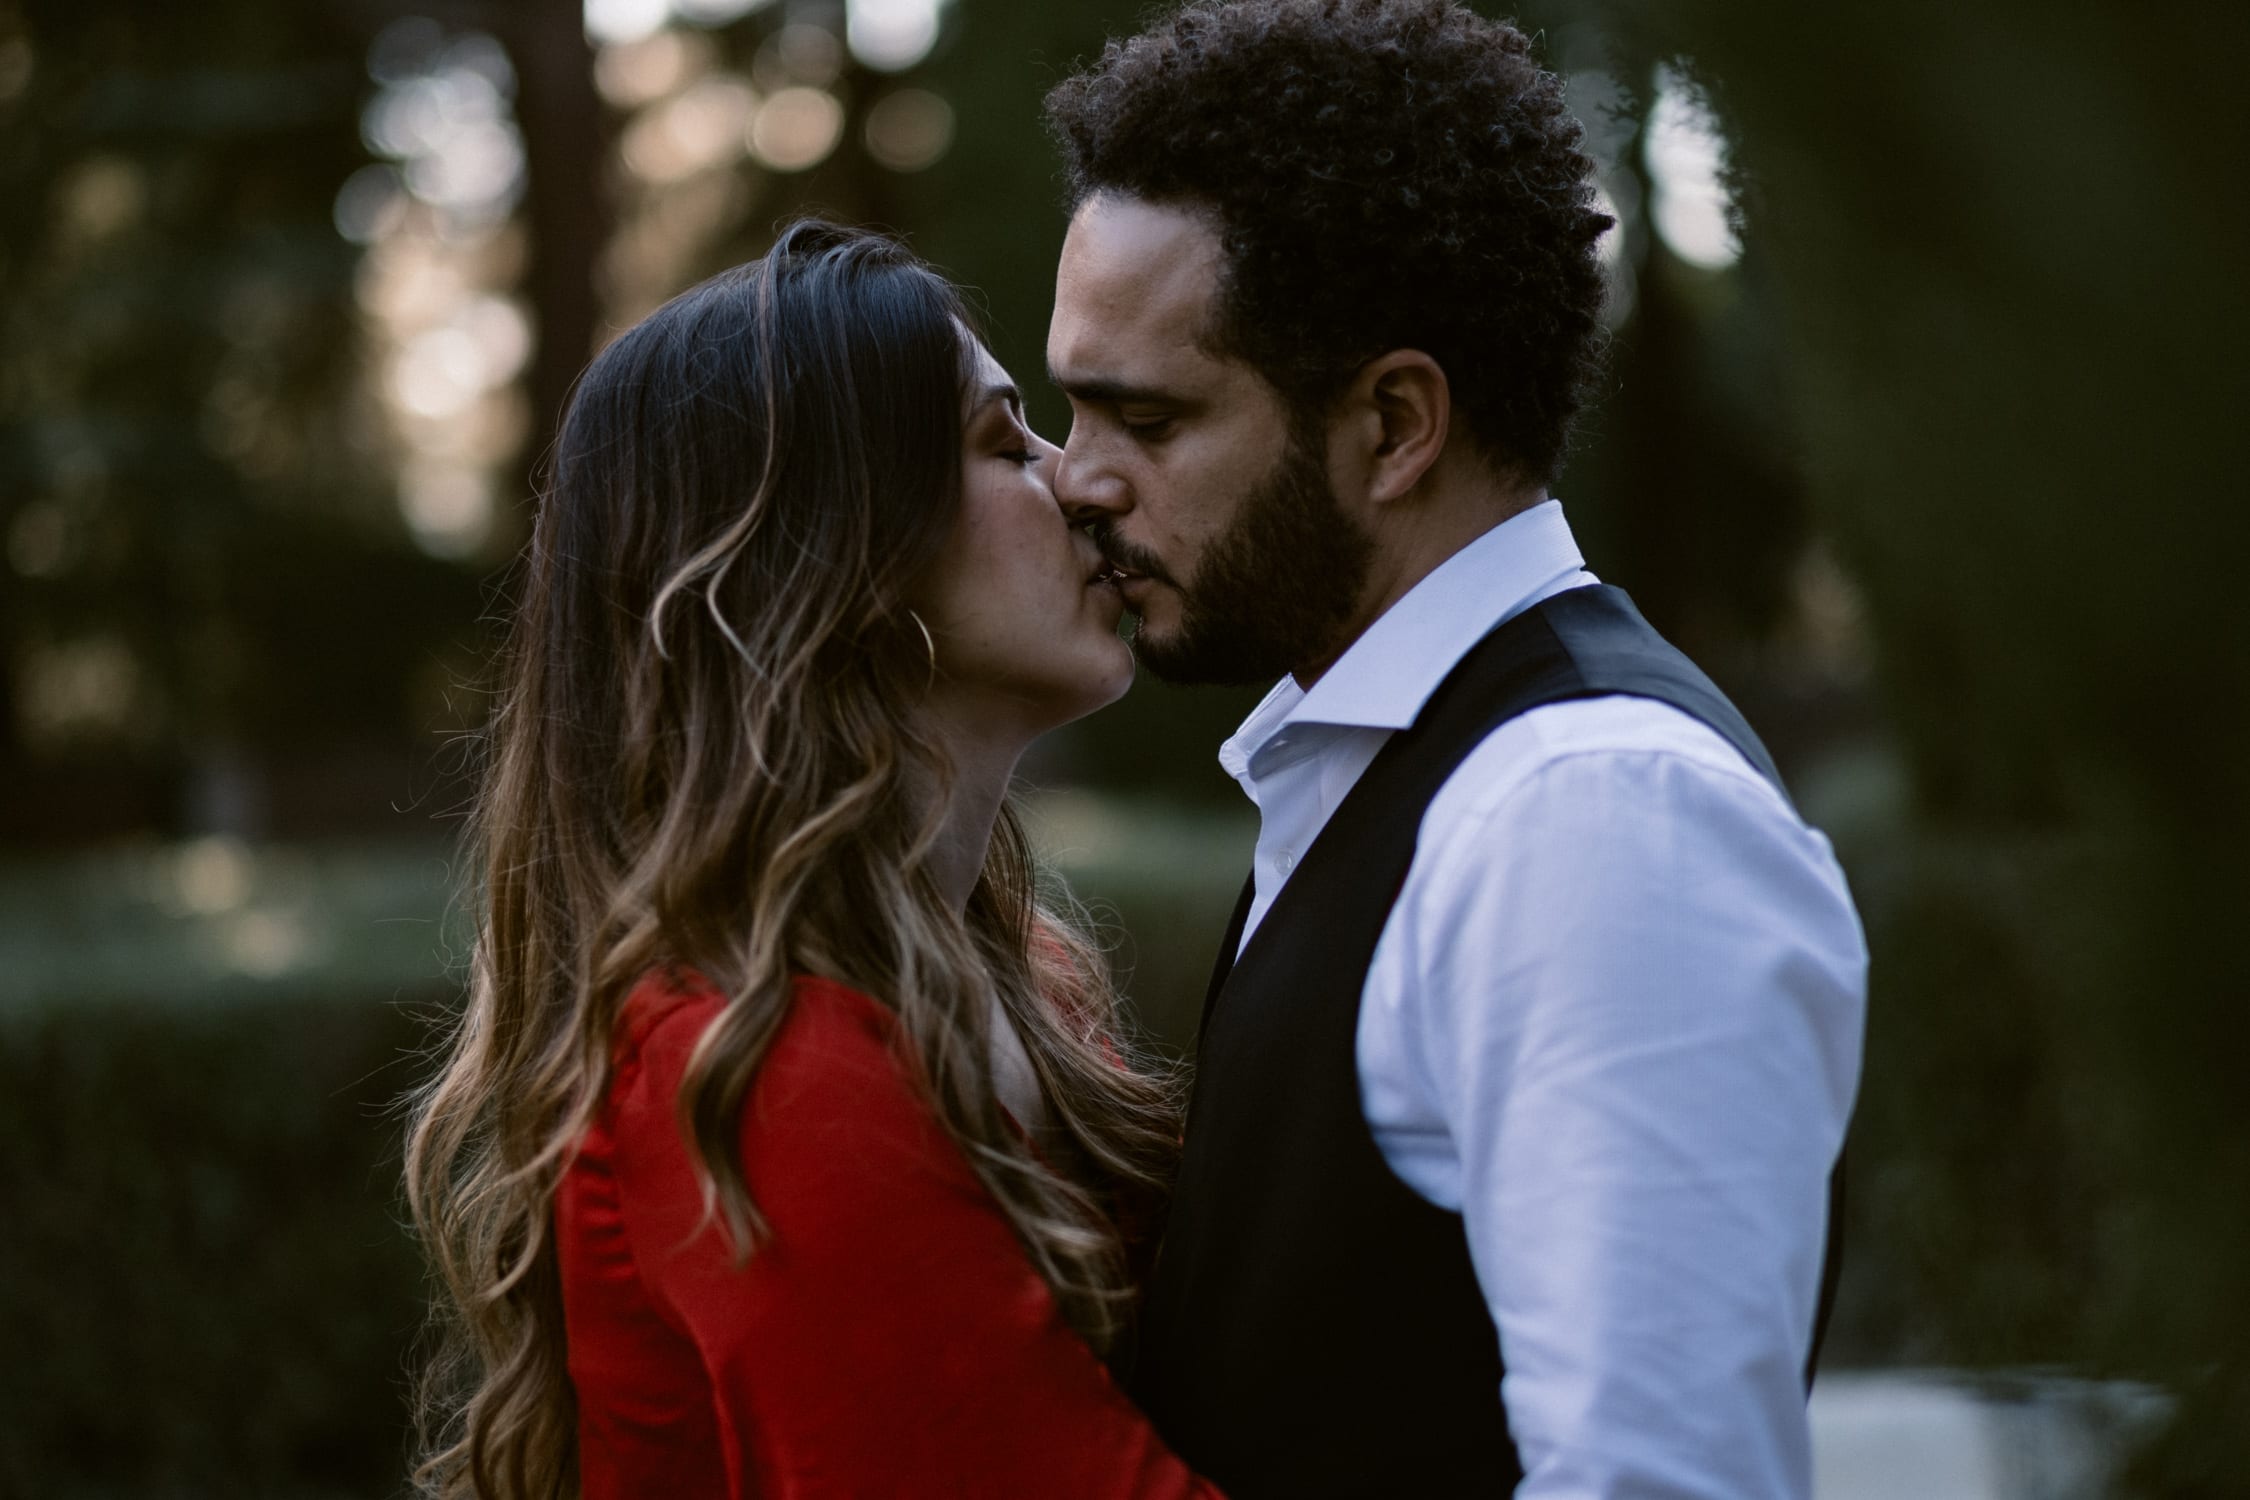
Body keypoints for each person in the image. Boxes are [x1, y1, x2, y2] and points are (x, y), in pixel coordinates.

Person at [1042, 2, 1868, 1497]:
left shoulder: (1595, 816)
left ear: (1393, 425)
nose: (1075, 480)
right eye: (1069, 408)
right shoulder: (1387, 771)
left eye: (1146, 419)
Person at [403, 222, 1222, 1500]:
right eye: (1006, 443)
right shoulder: (762, 1062)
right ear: (840, 555)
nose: (1078, 482)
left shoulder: (1027, 980)